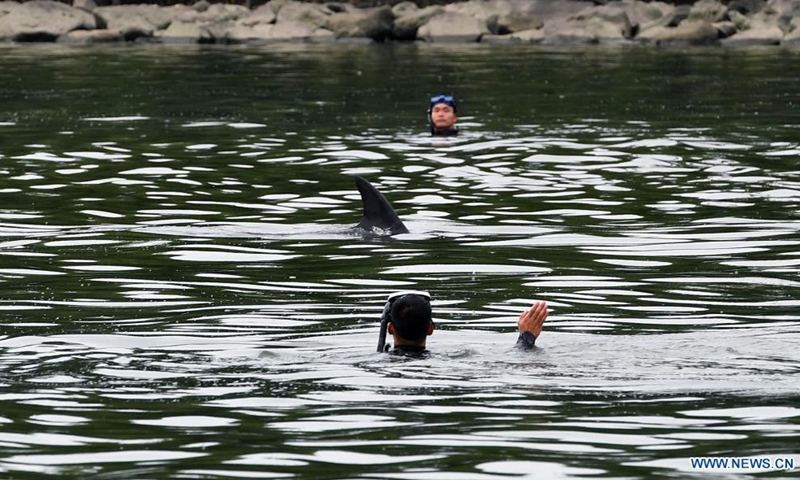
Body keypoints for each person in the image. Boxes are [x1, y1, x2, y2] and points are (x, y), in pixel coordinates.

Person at [378, 291, 548, 355]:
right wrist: (526, 338)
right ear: (430, 329)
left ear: (390, 328)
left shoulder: (377, 362)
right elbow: (512, 360)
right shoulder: (459, 356)